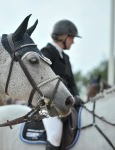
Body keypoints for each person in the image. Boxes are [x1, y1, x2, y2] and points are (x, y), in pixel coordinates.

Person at [41, 19, 83, 150]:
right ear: (64, 36)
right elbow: (43, 80)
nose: (73, 41)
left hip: (65, 103)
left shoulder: (66, 58)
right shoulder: (47, 52)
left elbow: (72, 82)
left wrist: (76, 96)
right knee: (55, 135)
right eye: (72, 38)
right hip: (47, 104)